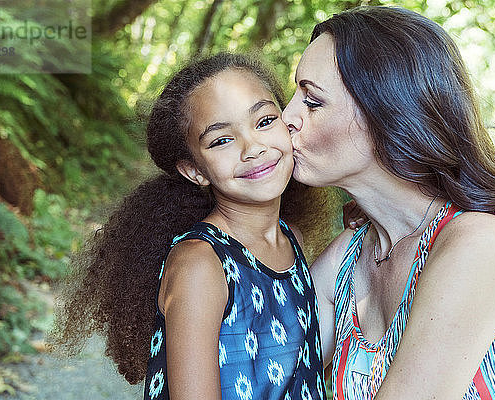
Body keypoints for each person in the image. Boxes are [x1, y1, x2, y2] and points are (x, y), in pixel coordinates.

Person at [282, 6, 495, 400]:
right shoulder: (348, 258)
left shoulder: (483, 244)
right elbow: (268, 376)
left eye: (312, 102)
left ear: (386, 113)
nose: (287, 117)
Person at [50, 53, 339, 400]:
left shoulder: (291, 239)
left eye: (264, 121)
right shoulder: (200, 264)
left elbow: (298, 364)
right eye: (221, 140)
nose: (253, 148)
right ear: (195, 171)